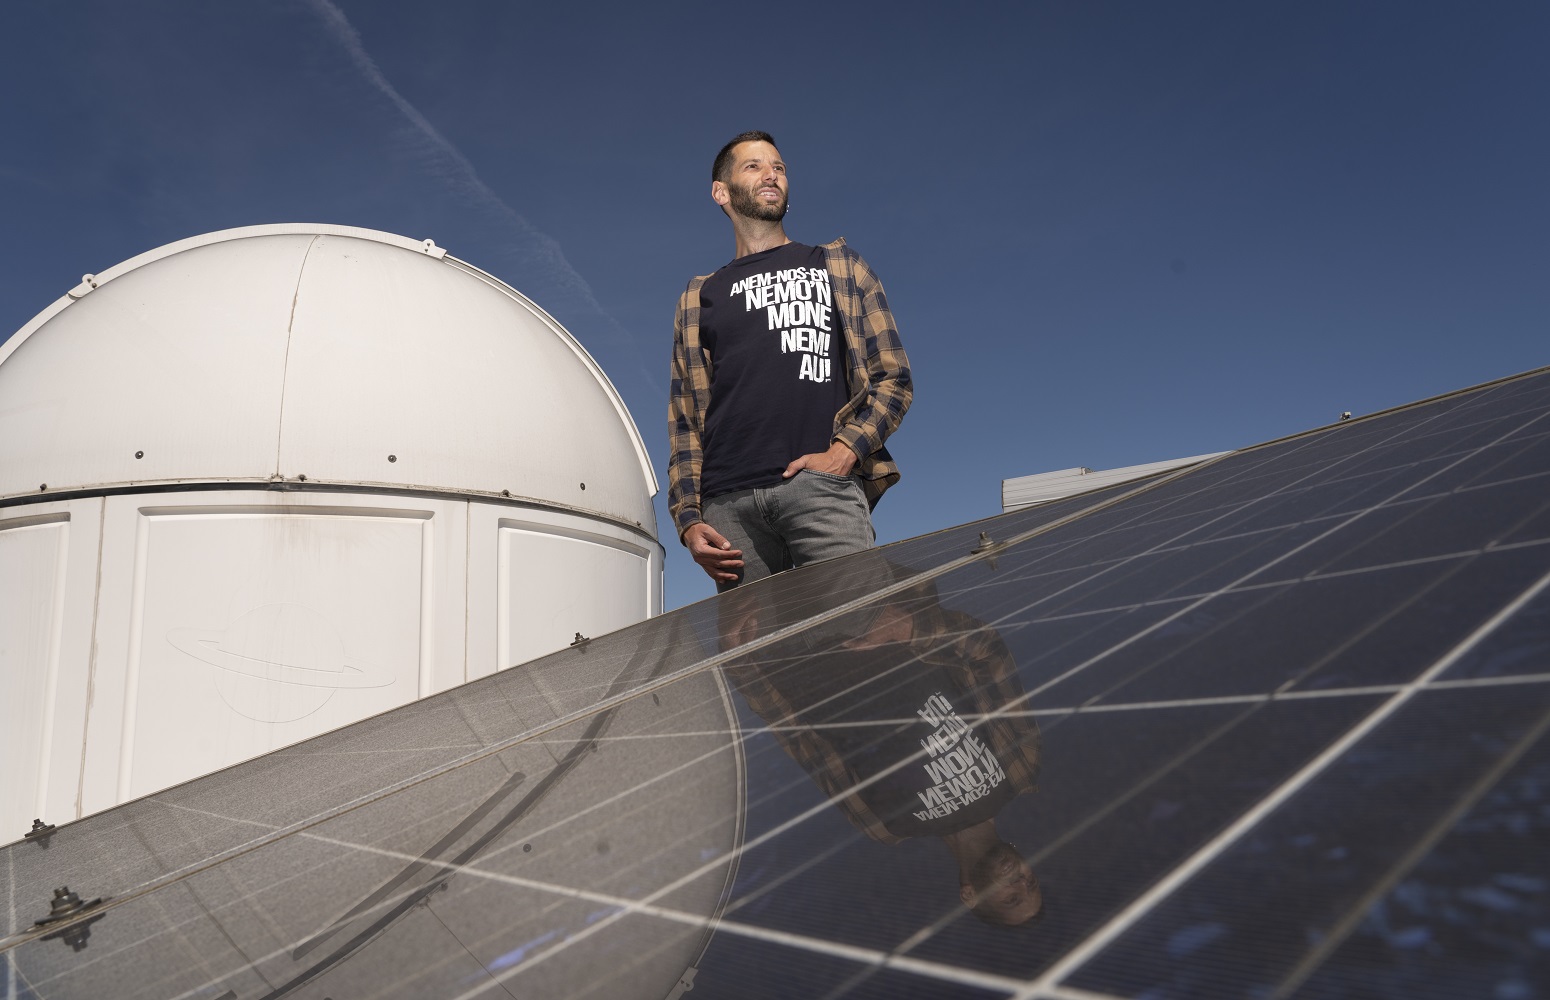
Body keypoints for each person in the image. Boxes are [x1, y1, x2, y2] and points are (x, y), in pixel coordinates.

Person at [721, 563, 1042, 926]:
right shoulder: (1018, 767)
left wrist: (742, 666)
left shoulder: (884, 826)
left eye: (1013, 897)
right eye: (1032, 881)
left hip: (785, 646)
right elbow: (989, 654)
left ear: (969, 895)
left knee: (728, 535)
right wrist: (908, 627)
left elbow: (803, 741)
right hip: (869, 601)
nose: (1020, 880)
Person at [668, 131, 912, 590]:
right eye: (754, 166)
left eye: (778, 167)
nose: (771, 175)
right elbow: (684, 421)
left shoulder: (838, 266)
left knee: (856, 644)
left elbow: (892, 378)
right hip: (727, 507)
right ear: (721, 191)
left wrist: (844, 453)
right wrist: (688, 518)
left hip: (821, 489)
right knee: (755, 662)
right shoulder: (698, 296)